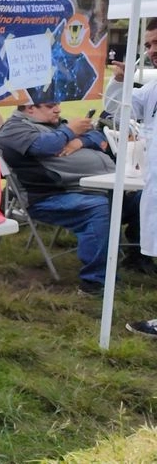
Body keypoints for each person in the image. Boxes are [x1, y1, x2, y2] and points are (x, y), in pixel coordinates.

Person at [0, 93, 146, 295]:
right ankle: (95, 283)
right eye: (50, 106)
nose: (57, 109)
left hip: (94, 188)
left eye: (57, 104)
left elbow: (99, 137)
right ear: (30, 108)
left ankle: (139, 258)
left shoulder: (55, 124)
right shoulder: (13, 129)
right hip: (52, 196)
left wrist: (78, 142)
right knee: (98, 209)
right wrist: (70, 132)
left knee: (144, 200)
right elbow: (43, 146)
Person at [103, 18, 157, 335]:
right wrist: (120, 82)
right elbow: (118, 109)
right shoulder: (152, 89)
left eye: (156, 42)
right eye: (148, 44)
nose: (151, 50)